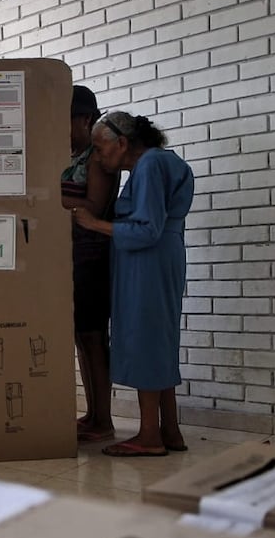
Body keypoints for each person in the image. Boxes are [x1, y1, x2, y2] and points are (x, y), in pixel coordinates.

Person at [73, 110, 194, 457]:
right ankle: (169, 430)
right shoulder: (164, 162)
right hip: (162, 259)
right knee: (159, 340)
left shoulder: (151, 165)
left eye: (100, 149)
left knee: (146, 340)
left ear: (122, 143)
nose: (98, 157)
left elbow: (147, 229)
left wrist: (93, 223)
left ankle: (149, 436)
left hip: (149, 261)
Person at [60, 86, 119, 442]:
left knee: (94, 338)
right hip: (71, 254)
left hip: (91, 255)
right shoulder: (71, 155)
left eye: (65, 121)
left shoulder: (96, 159)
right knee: (82, 336)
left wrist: (49, 210)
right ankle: (93, 413)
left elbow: (92, 209)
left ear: (84, 119)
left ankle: (104, 419)